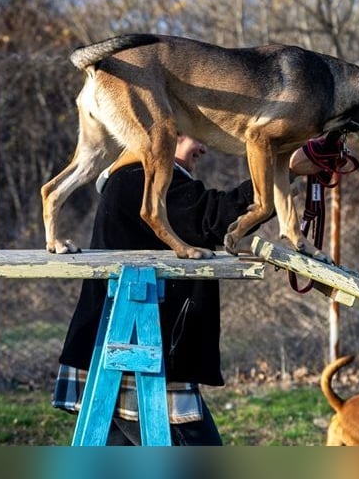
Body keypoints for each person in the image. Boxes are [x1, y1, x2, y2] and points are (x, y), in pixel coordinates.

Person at [52, 135, 327, 446]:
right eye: (198, 133)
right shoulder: (143, 178)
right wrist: (285, 169)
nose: (205, 146)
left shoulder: (136, 177)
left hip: (125, 352)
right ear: (172, 132)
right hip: (138, 357)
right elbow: (214, 219)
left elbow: (206, 219)